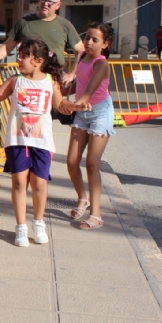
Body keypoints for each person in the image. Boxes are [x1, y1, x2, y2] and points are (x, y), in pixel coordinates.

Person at [0, 39, 83, 247]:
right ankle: (21, 227)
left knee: (39, 184)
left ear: (38, 61)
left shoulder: (51, 81)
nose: (19, 60)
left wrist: (76, 106)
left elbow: (60, 104)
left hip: (42, 141)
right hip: (17, 139)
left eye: (23, 56)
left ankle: (38, 223)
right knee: (19, 182)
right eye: (18, 56)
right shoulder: (16, 80)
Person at [62, 22, 114, 230]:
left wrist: (72, 104)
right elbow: (78, 83)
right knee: (72, 161)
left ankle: (96, 215)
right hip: (82, 113)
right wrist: (63, 93)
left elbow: (89, 91)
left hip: (100, 112)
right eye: (87, 38)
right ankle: (82, 198)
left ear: (105, 44)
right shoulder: (83, 57)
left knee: (92, 163)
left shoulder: (102, 64)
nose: (89, 42)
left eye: (95, 40)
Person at [0, 0, 84, 83]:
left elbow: (81, 51)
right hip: (28, 82)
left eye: (50, 2)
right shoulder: (24, 22)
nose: (45, 4)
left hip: (53, 81)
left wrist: (72, 74)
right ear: (39, 0)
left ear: (58, 5)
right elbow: (7, 46)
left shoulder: (65, 25)